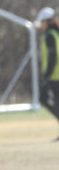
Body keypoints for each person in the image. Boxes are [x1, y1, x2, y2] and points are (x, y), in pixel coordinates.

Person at [36, 7, 59, 138]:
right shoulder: (55, 33)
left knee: (43, 99)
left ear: (48, 21)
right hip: (55, 75)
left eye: (42, 21)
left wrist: (46, 75)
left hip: (55, 76)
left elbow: (52, 57)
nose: (41, 24)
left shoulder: (50, 36)